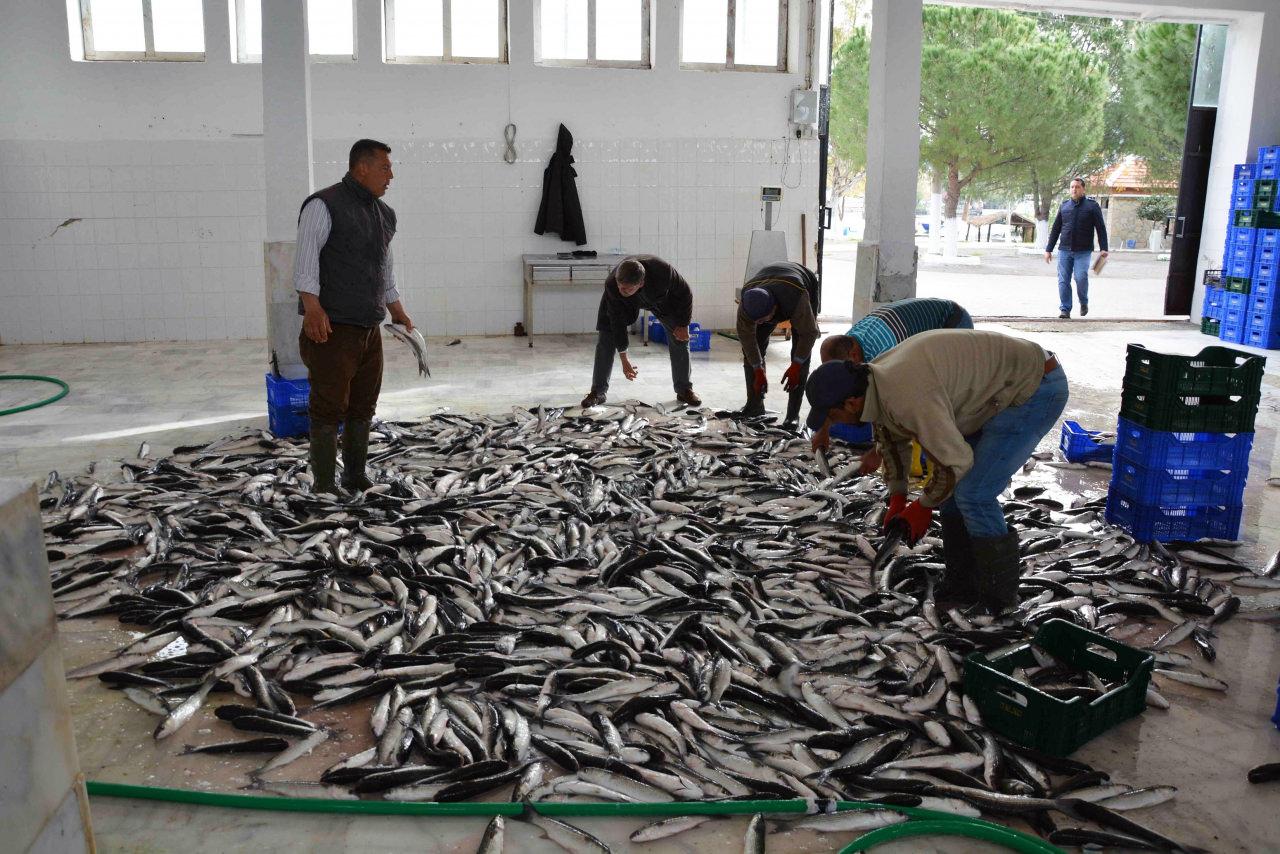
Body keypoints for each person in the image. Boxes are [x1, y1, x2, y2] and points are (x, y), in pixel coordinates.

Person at [804, 329, 1069, 610]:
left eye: (834, 416)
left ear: (851, 402)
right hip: (992, 392)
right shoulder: (873, 381)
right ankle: (962, 584)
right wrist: (897, 497)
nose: (835, 424)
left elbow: (957, 463)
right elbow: (891, 439)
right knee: (953, 490)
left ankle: (998, 600)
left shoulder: (906, 393)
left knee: (973, 493)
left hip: (1033, 388)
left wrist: (923, 505)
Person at [295, 138, 414, 496]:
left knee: (363, 403)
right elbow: (305, 260)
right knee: (329, 405)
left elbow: (384, 268)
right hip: (332, 326)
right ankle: (324, 483)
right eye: (385, 167)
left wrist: (396, 309)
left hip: (368, 326)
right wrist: (312, 307)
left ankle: (355, 476)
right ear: (361, 167)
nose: (391, 175)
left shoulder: (384, 214)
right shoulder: (323, 205)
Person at [814, 297, 973, 470]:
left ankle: (944, 454)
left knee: (937, 403)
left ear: (853, 356)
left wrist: (878, 451)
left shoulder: (883, 354)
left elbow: (905, 401)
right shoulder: (848, 344)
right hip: (919, 321)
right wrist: (824, 429)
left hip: (952, 322)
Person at [581, 255, 702, 409]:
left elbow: (686, 293)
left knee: (680, 338)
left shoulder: (663, 272)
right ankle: (598, 392)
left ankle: (684, 389)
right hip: (623, 306)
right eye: (620, 285)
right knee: (606, 339)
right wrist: (624, 359)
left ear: (641, 283)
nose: (622, 289)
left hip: (661, 302)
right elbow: (617, 322)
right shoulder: (612, 285)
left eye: (627, 288)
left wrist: (684, 324)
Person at [736, 261, 820, 427]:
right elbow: (747, 340)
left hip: (801, 283)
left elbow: (809, 334)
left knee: (801, 351)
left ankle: (792, 416)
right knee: (752, 349)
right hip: (768, 279)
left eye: (764, 319)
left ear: (775, 308)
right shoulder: (747, 302)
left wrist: (796, 365)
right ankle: (754, 406)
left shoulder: (796, 297)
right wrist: (758, 369)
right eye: (757, 321)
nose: (761, 323)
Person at [1045, 177, 1109, 319]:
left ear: (1083, 189)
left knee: (1080, 277)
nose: (1074, 189)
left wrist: (1104, 248)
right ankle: (1065, 309)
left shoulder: (1092, 206)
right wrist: (1048, 249)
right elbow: (1056, 229)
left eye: (1077, 187)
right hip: (1064, 250)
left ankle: (1084, 302)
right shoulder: (1064, 206)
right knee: (1063, 280)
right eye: (1072, 187)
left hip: (1083, 251)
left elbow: (1101, 228)